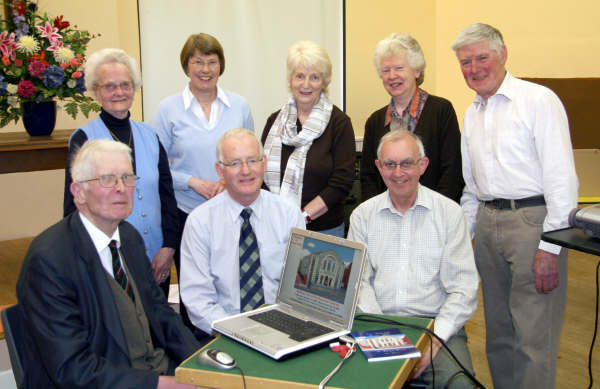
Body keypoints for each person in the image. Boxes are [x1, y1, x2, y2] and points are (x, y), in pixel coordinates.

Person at [451, 23, 578, 389]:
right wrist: (462, 238)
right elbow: (472, 189)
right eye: (465, 62)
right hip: (489, 224)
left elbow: (562, 182)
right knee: (499, 333)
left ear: (503, 53)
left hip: (533, 224)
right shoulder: (472, 113)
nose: (473, 68)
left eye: (481, 58)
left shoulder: (538, 100)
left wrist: (551, 247)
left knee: (534, 338)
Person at [18, 139, 200, 389]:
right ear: (78, 192)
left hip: (155, 370)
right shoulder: (49, 260)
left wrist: (201, 363)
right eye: (107, 179)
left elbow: (160, 312)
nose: (121, 188)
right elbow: (72, 369)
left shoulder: (129, 237)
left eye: (127, 177)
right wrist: (161, 385)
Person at [349, 130, 479, 389]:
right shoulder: (363, 215)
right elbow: (359, 283)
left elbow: (463, 290)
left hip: (434, 327)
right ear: (378, 167)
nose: (398, 173)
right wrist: (385, 337)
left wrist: (435, 341)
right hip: (378, 323)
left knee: (461, 386)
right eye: (390, 164)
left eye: (407, 163)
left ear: (423, 165)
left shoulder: (449, 214)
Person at [153, 33, 254, 328]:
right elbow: (157, 167)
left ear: (221, 66)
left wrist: (230, 179)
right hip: (187, 212)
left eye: (212, 61)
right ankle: (195, 345)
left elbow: (248, 153)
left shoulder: (239, 106)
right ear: (186, 66)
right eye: (198, 62)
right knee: (195, 287)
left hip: (232, 210)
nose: (205, 69)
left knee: (234, 282)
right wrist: (192, 182)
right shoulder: (168, 109)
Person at [63, 48, 177, 298]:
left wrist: (168, 247)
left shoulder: (149, 135)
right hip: (106, 258)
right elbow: (73, 206)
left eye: (125, 85)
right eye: (109, 86)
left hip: (156, 257)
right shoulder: (83, 139)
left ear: (134, 88)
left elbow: (167, 197)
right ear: (96, 91)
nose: (119, 92)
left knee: (156, 327)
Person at [180, 128, 305, 338]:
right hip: (221, 331)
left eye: (253, 161)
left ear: (264, 163)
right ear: (220, 170)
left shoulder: (289, 215)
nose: (246, 171)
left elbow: (300, 289)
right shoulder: (200, 222)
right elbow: (197, 298)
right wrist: (239, 333)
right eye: (235, 163)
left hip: (282, 329)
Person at [262, 40, 355, 238]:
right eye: (300, 76)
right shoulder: (274, 121)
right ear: (290, 80)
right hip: (276, 228)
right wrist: (279, 218)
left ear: (324, 81)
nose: (306, 84)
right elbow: (260, 173)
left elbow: (342, 182)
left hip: (324, 230)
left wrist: (301, 217)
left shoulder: (339, 123)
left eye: (314, 77)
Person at [360, 33, 464, 203]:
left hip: (434, 216)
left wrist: (438, 212)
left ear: (417, 70)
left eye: (399, 68)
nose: (392, 76)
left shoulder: (441, 111)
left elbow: (452, 172)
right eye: (386, 70)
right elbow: (369, 178)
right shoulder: (375, 121)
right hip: (386, 219)